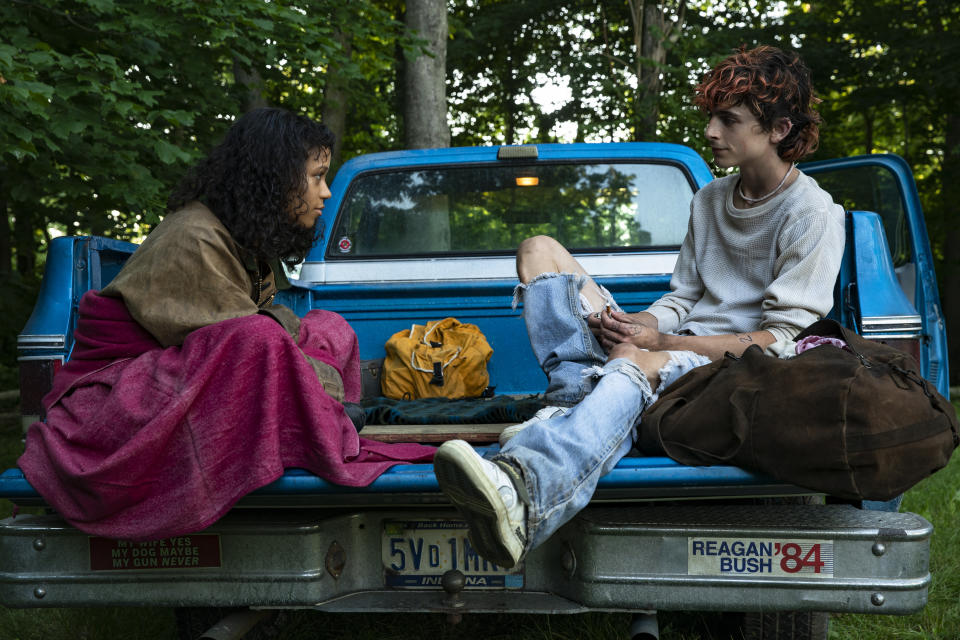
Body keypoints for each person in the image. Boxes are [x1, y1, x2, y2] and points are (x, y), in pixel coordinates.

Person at [434, 45, 846, 568]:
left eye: (730, 120)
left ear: (780, 129)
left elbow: (782, 338)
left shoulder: (813, 213)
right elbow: (684, 297)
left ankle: (525, 491)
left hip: (736, 368)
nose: (711, 132)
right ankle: (578, 398)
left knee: (638, 360)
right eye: (711, 117)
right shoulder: (711, 199)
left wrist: (661, 344)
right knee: (539, 250)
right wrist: (640, 322)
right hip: (669, 348)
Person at [18, 107, 434, 541]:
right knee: (259, 339)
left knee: (328, 325)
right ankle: (323, 426)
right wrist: (319, 392)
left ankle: (322, 424)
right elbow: (251, 344)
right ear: (275, 179)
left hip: (179, 380)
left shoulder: (242, 242)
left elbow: (270, 331)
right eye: (315, 177)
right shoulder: (194, 238)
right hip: (114, 406)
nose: (325, 193)